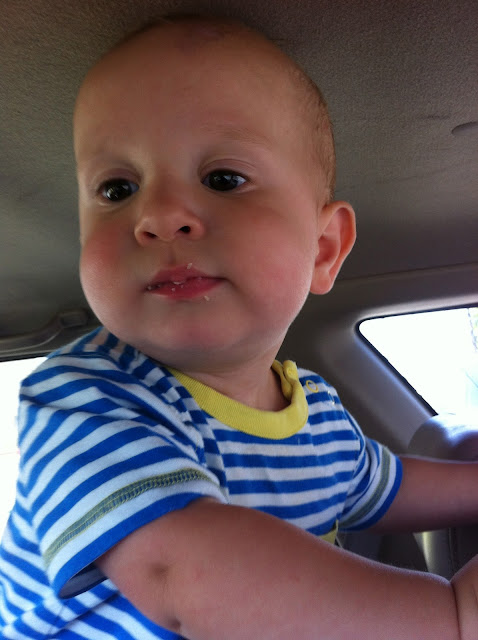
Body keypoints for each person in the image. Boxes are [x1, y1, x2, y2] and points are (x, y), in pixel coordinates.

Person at [1, 14, 477, 640]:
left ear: (323, 250)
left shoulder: (320, 415)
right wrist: (449, 617)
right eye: (117, 189)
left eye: (223, 179)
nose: (159, 216)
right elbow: (179, 569)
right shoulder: (84, 396)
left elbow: (386, 488)